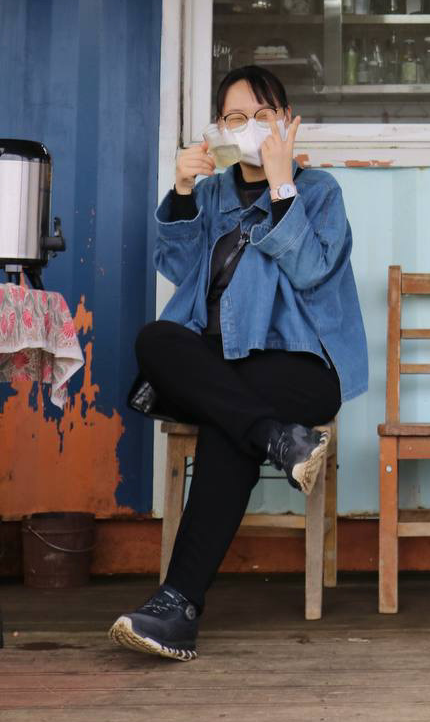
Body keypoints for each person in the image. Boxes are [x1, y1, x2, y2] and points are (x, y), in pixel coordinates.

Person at [109, 66, 368, 661]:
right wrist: (181, 192)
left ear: (287, 121)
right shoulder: (212, 194)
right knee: (157, 340)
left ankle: (177, 606)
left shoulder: (320, 191)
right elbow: (179, 270)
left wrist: (282, 186)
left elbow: (311, 270)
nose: (249, 127)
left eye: (262, 115)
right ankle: (278, 439)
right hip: (223, 370)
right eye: (235, 117)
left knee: (228, 417)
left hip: (300, 369)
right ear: (219, 128)